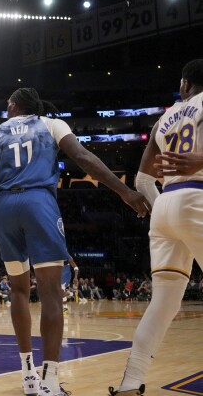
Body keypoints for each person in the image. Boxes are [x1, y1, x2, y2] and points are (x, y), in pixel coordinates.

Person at [0, 87, 150, 396]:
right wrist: (124, 192)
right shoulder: (51, 125)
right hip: (39, 203)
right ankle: (49, 380)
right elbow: (83, 157)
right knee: (50, 293)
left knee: (18, 290)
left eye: (8, 104)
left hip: (4, 208)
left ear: (15, 105)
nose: (6, 109)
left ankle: (27, 375)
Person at [110, 59, 203, 396]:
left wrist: (159, 207)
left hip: (165, 204)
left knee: (163, 302)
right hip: (197, 196)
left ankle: (130, 381)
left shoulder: (165, 117)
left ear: (184, 85)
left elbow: (142, 179)